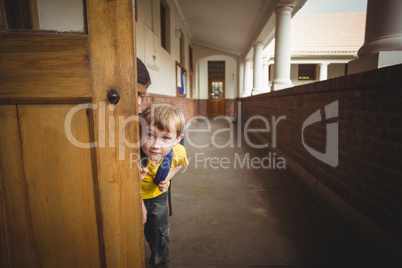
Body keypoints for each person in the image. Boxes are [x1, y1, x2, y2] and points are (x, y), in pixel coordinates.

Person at [140, 101, 188, 268]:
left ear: (177, 139)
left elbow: (180, 164)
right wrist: (139, 203)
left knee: (159, 237)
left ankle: (160, 263)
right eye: (150, 135)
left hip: (158, 198)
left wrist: (167, 177)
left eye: (165, 138)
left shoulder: (178, 151)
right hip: (134, 197)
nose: (155, 145)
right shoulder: (132, 154)